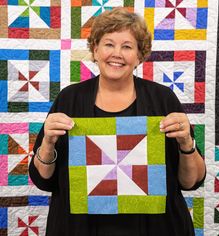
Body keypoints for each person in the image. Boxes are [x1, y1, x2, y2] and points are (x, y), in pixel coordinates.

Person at [29, 7, 206, 236]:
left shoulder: (162, 99)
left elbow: (191, 181)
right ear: (95, 49)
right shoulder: (69, 99)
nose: (117, 54)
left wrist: (186, 145)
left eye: (127, 46)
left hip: (155, 228)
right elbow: (43, 181)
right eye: (109, 44)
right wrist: (48, 143)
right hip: (81, 228)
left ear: (140, 55)